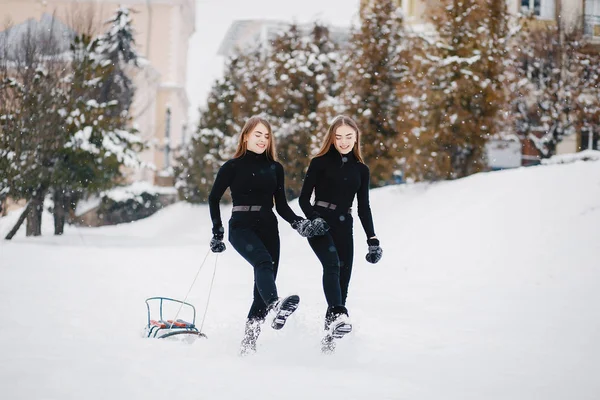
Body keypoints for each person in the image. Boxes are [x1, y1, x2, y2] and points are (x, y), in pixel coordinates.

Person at [208, 116, 325, 355]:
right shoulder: (232, 166)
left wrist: (299, 224)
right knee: (263, 262)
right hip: (241, 226)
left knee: (262, 285)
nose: (262, 140)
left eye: (267, 136)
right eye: (257, 134)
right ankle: (276, 305)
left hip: (269, 227)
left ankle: (249, 343)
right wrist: (217, 232)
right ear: (246, 136)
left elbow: (281, 205)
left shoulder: (275, 168)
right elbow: (213, 198)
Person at [298, 115, 383, 349]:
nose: (344, 141)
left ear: (356, 137)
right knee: (332, 265)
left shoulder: (361, 170)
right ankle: (338, 316)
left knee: (342, 284)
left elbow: (363, 207)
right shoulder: (319, 162)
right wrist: (314, 220)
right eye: (339, 137)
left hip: (345, 226)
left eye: (349, 136)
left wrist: (372, 239)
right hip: (320, 225)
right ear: (331, 139)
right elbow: (304, 199)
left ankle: (329, 343)